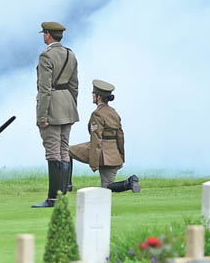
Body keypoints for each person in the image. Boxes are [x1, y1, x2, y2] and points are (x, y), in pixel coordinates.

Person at [32, 21, 79, 208]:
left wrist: (41, 116)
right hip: (67, 105)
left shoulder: (46, 56)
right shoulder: (70, 54)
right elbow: (75, 85)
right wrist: (71, 105)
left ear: (48, 35)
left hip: (52, 106)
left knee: (52, 152)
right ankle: (63, 194)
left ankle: (53, 198)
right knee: (63, 151)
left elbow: (44, 89)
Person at [69, 80, 139, 192]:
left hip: (101, 154)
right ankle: (129, 183)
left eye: (93, 94)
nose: (92, 96)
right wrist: (121, 157)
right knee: (108, 187)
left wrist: (94, 162)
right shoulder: (114, 113)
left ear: (98, 97)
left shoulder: (97, 114)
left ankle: (67, 186)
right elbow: (120, 137)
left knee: (67, 151)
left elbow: (96, 139)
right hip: (113, 154)